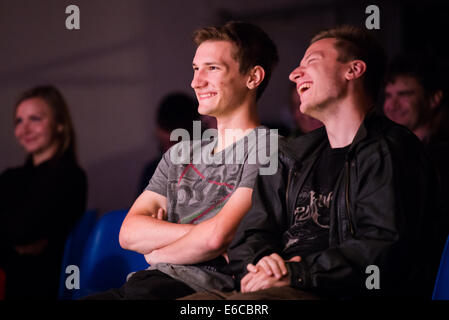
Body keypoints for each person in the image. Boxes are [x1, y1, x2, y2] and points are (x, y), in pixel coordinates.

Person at [181, 25, 439, 300]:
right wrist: (261, 264)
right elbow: (250, 235)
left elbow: (382, 246)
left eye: (312, 62)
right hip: (273, 288)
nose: (294, 74)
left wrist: (297, 273)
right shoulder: (293, 153)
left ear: (353, 70)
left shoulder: (389, 148)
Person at [83, 21, 279, 300]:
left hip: (196, 291)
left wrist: (156, 248)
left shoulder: (268, 148)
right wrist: (202, 234)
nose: (196, 81)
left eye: (212, 68)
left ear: (253, 77)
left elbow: (217, 238)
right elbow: (128, 233)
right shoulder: (180, 154)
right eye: (196, 69)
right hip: (144, 281)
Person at [0, 85, 87, 299]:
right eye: (19, 121)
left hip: (42, 286)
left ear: (59, 124)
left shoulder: (70, 175)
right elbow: (19, 232)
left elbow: (22, 231)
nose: (24, 129)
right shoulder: (10, 177)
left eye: (35, 119)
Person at [383, 54, 449, 283]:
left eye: (405, 94)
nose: (392, 105)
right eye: (388, 95)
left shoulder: (440, 156)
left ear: (434, 98)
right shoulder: (386, 151)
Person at [137, 92, 201, 195]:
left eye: (176, 144)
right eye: (164, 144)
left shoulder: (210, 172)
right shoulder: (153, 171)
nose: (169, 152)